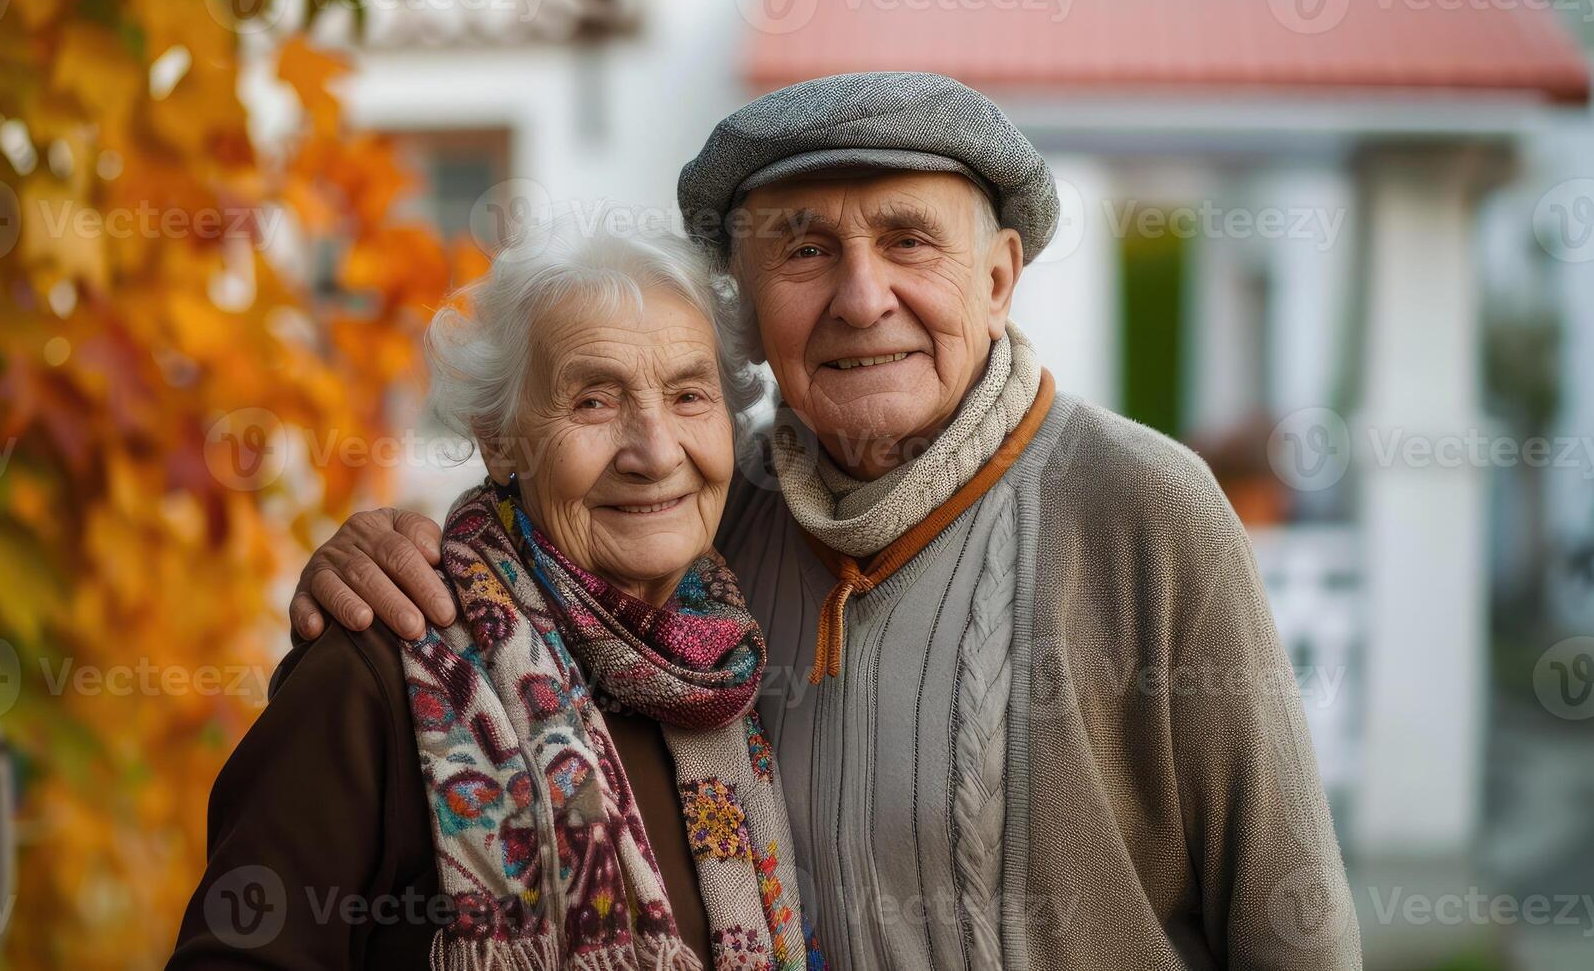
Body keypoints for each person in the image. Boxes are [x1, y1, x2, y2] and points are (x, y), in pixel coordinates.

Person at [286, 72, 1361, 970]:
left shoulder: (1146, 511)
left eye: (907, 241)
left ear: (998, 279)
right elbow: (533, 546)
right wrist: (377, 547)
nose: (860, 297)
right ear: (749, 307)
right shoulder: (704, 527)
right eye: (804, 250)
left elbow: (1293, 929)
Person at [171, 218, 818, 969]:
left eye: (688, 396)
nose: (654, 451)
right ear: (500, 439)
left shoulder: (730, 667)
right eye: (593, 403)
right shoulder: (382, 663)